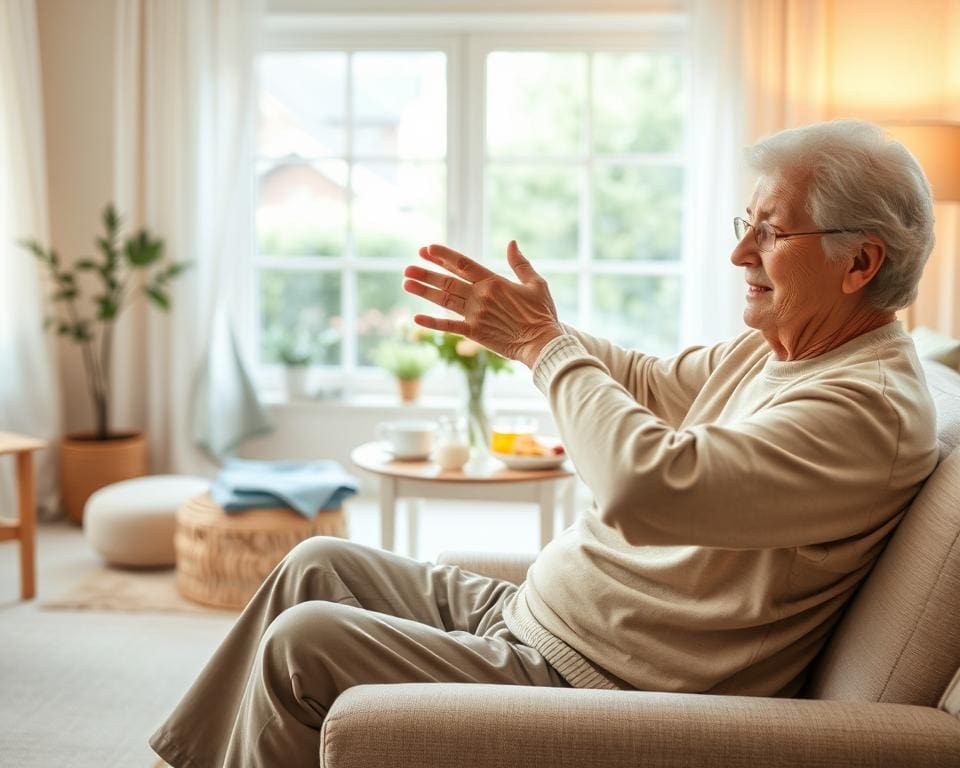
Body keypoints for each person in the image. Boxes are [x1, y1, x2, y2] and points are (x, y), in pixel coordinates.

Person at [150, 119, 939, 767]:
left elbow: (646, 488)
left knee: (305, 643)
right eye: (747, 225)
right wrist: (528, 328)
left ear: (860, 261)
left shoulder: (862, 410)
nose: (741, 253)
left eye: (770, 232)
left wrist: (542, 346)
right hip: (538, 618)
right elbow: (645, 381)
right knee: (314, 564)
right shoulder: (785, 349)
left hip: (603, 682)